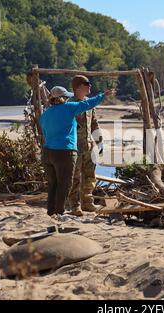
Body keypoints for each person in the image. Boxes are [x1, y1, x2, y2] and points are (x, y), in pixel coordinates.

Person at [39, 85, 115, 217]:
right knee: (65, 183)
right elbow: (88, 103)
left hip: (47, 153)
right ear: (62, 99)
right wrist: (103, 95)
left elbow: (45, 134)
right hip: (65, 152)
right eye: (66, 97)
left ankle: (51, 211)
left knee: (53, 184)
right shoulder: (69, 108)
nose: (68, 99)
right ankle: (59, 212)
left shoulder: (45, 114)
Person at [68, 75, 104, 216]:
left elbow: (94, 122)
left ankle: (87, 203)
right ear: (78, 87)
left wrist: (99, 139)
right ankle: (74, 206)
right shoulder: (69, 105)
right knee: (74, 177)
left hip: (89, 145)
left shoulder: (89, 103)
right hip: (74, 146)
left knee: (90, 176)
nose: (90, 86)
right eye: (87, 83)